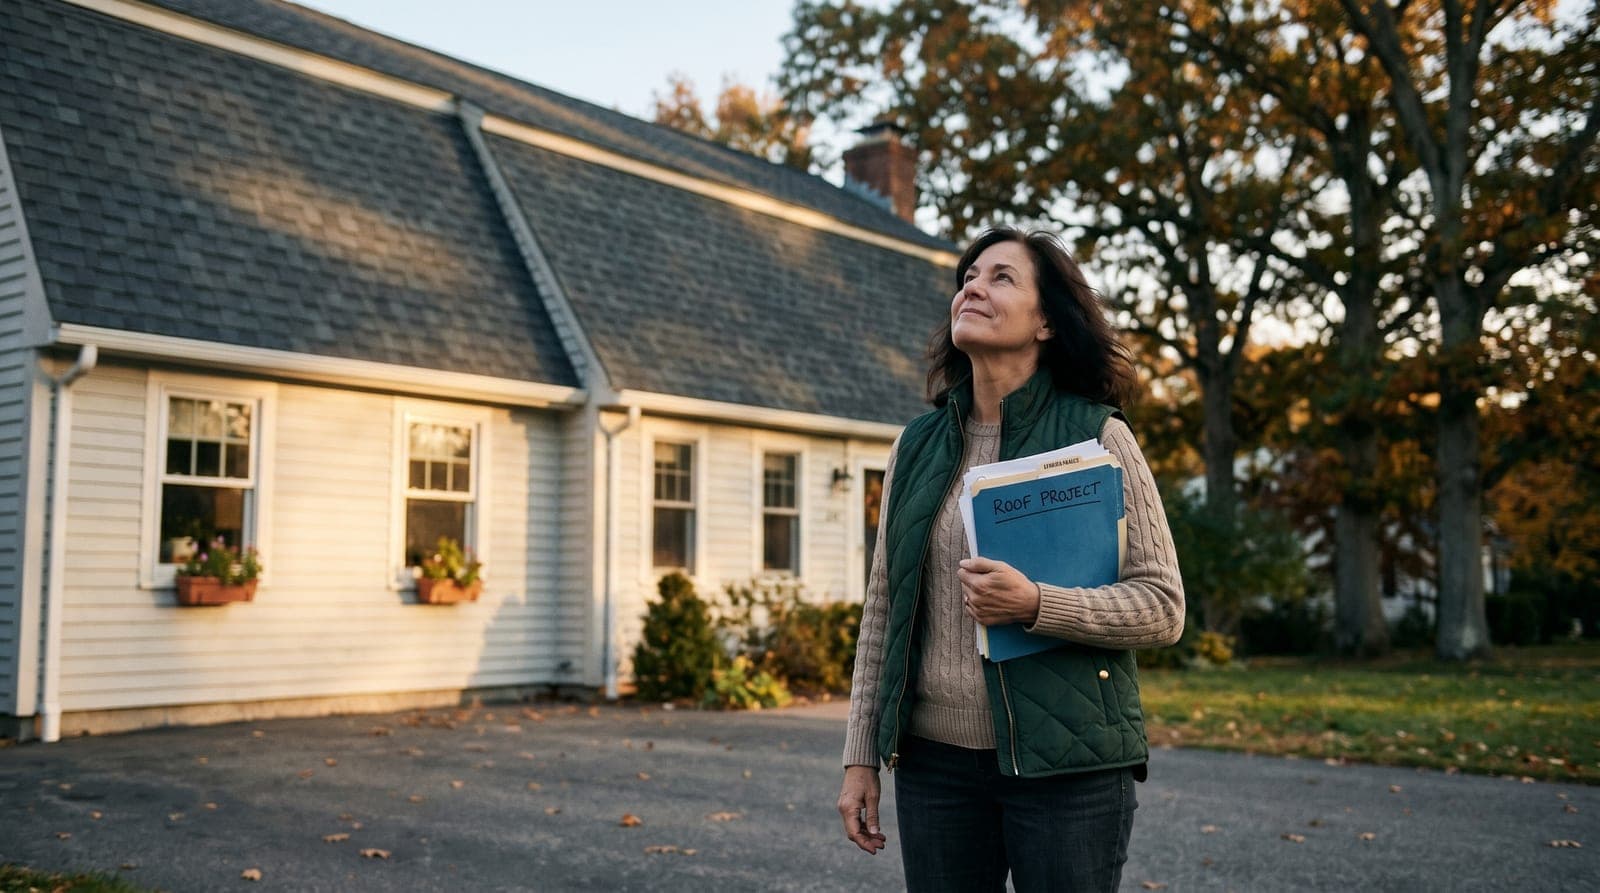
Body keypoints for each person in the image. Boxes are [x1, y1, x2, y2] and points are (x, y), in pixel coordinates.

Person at [837, 225, 1185, 892]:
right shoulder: (917, 445)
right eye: (969, 275)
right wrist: (860, 759)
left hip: (1067, 768)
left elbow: (1163, 606)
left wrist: (1035, 604)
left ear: (1047, 320)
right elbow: (882, 608)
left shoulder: (1098, 434)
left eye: (1001, 276)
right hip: (935, 768)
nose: (973, 285)